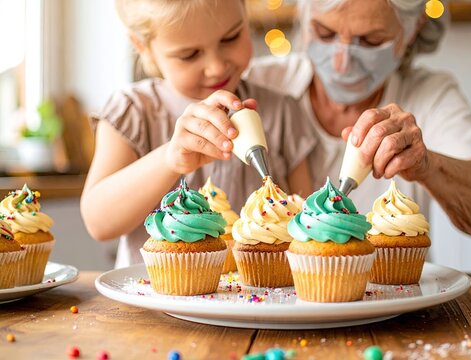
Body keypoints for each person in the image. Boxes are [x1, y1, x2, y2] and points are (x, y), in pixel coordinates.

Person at [81, 0, 315, 268]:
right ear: (142, 46)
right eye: (189, 54)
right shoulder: (133, 111)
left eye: (230, 37)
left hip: (262, 304)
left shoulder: (282, 112)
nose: (216, 67)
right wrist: (170, 159)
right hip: (152, 305)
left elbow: (306, 227)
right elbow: (98, 223)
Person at [245, 0, 471, 237]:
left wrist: (427, 165)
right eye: (325, 33)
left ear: (411, 30)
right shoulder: (255, 86)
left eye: (370, 41)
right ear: (303, 17)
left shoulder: (431, 95)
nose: (341, 64)